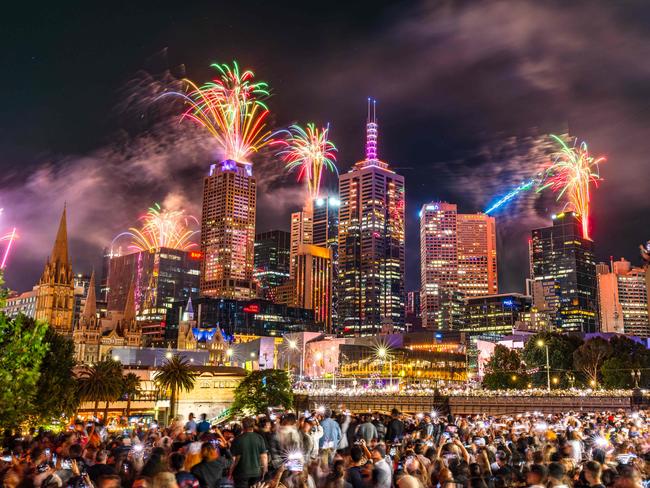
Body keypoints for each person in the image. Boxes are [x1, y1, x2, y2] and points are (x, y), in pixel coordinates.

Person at [229, 418, 268, 488]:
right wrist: (265, 469)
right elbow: (264, 456)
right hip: (256, 472)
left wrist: (230, 472)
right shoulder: (259, 438)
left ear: (242, 426)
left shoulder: (237, 439)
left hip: (241, 473)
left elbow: (233, 459)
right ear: (253, 426)